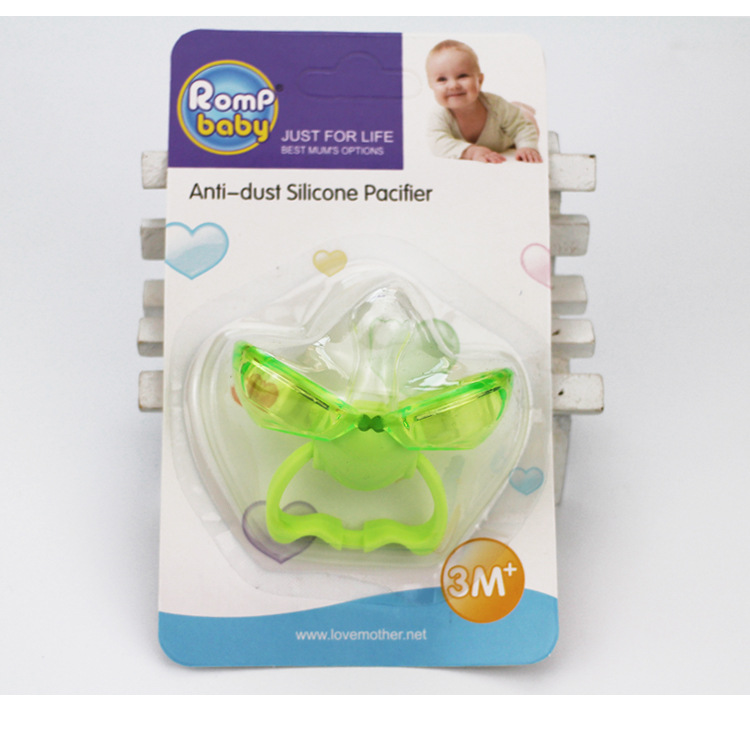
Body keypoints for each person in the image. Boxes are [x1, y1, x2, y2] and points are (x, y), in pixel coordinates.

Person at [426, 40, 542, 164]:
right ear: (431, 85)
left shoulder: (496, 105)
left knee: (527, 119)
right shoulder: (439, 115)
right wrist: (471, 151)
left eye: (462, 76)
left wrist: (526, 146)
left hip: (507, 136)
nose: (453, 85)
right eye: (442, 79)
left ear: (479, 80)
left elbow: (521, 126)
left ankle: (522, 108)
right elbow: (437, 142)